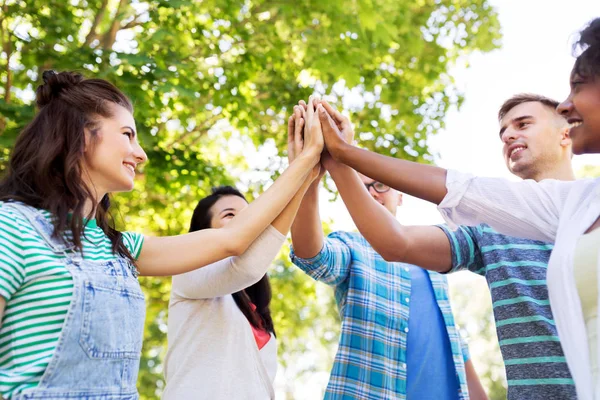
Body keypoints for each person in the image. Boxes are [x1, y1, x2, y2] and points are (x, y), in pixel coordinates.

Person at [318, 17, 600, 400]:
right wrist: (341, 162)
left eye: (523, 123)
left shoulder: (586, 206)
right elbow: (396, 241)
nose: (509, 136)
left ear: (565, 130)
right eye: (503, 132)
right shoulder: (491, 231)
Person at [0, 71, 323, 399]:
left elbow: (236, 242)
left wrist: (305, 168)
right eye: (128, 134)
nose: (141, 154)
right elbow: (235, 243)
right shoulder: (12, 227)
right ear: (81, 136)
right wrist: (306, 160)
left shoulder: (124, 248)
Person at [289, 103, 486, 400]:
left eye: (380, 184)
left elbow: (454, 339)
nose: (371, 193)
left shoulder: (434, 255)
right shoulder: (352, 247)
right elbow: (312, 256)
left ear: (400, 194)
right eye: (361, 185)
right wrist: (307, 175)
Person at [164, 111, 320, 400]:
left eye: (249, 215)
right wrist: (302, 166)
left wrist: (307, 177)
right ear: (203, 231)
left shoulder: (256, 312)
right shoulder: (188, 273)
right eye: (229, 215)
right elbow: (245, 268)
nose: (244, 222)